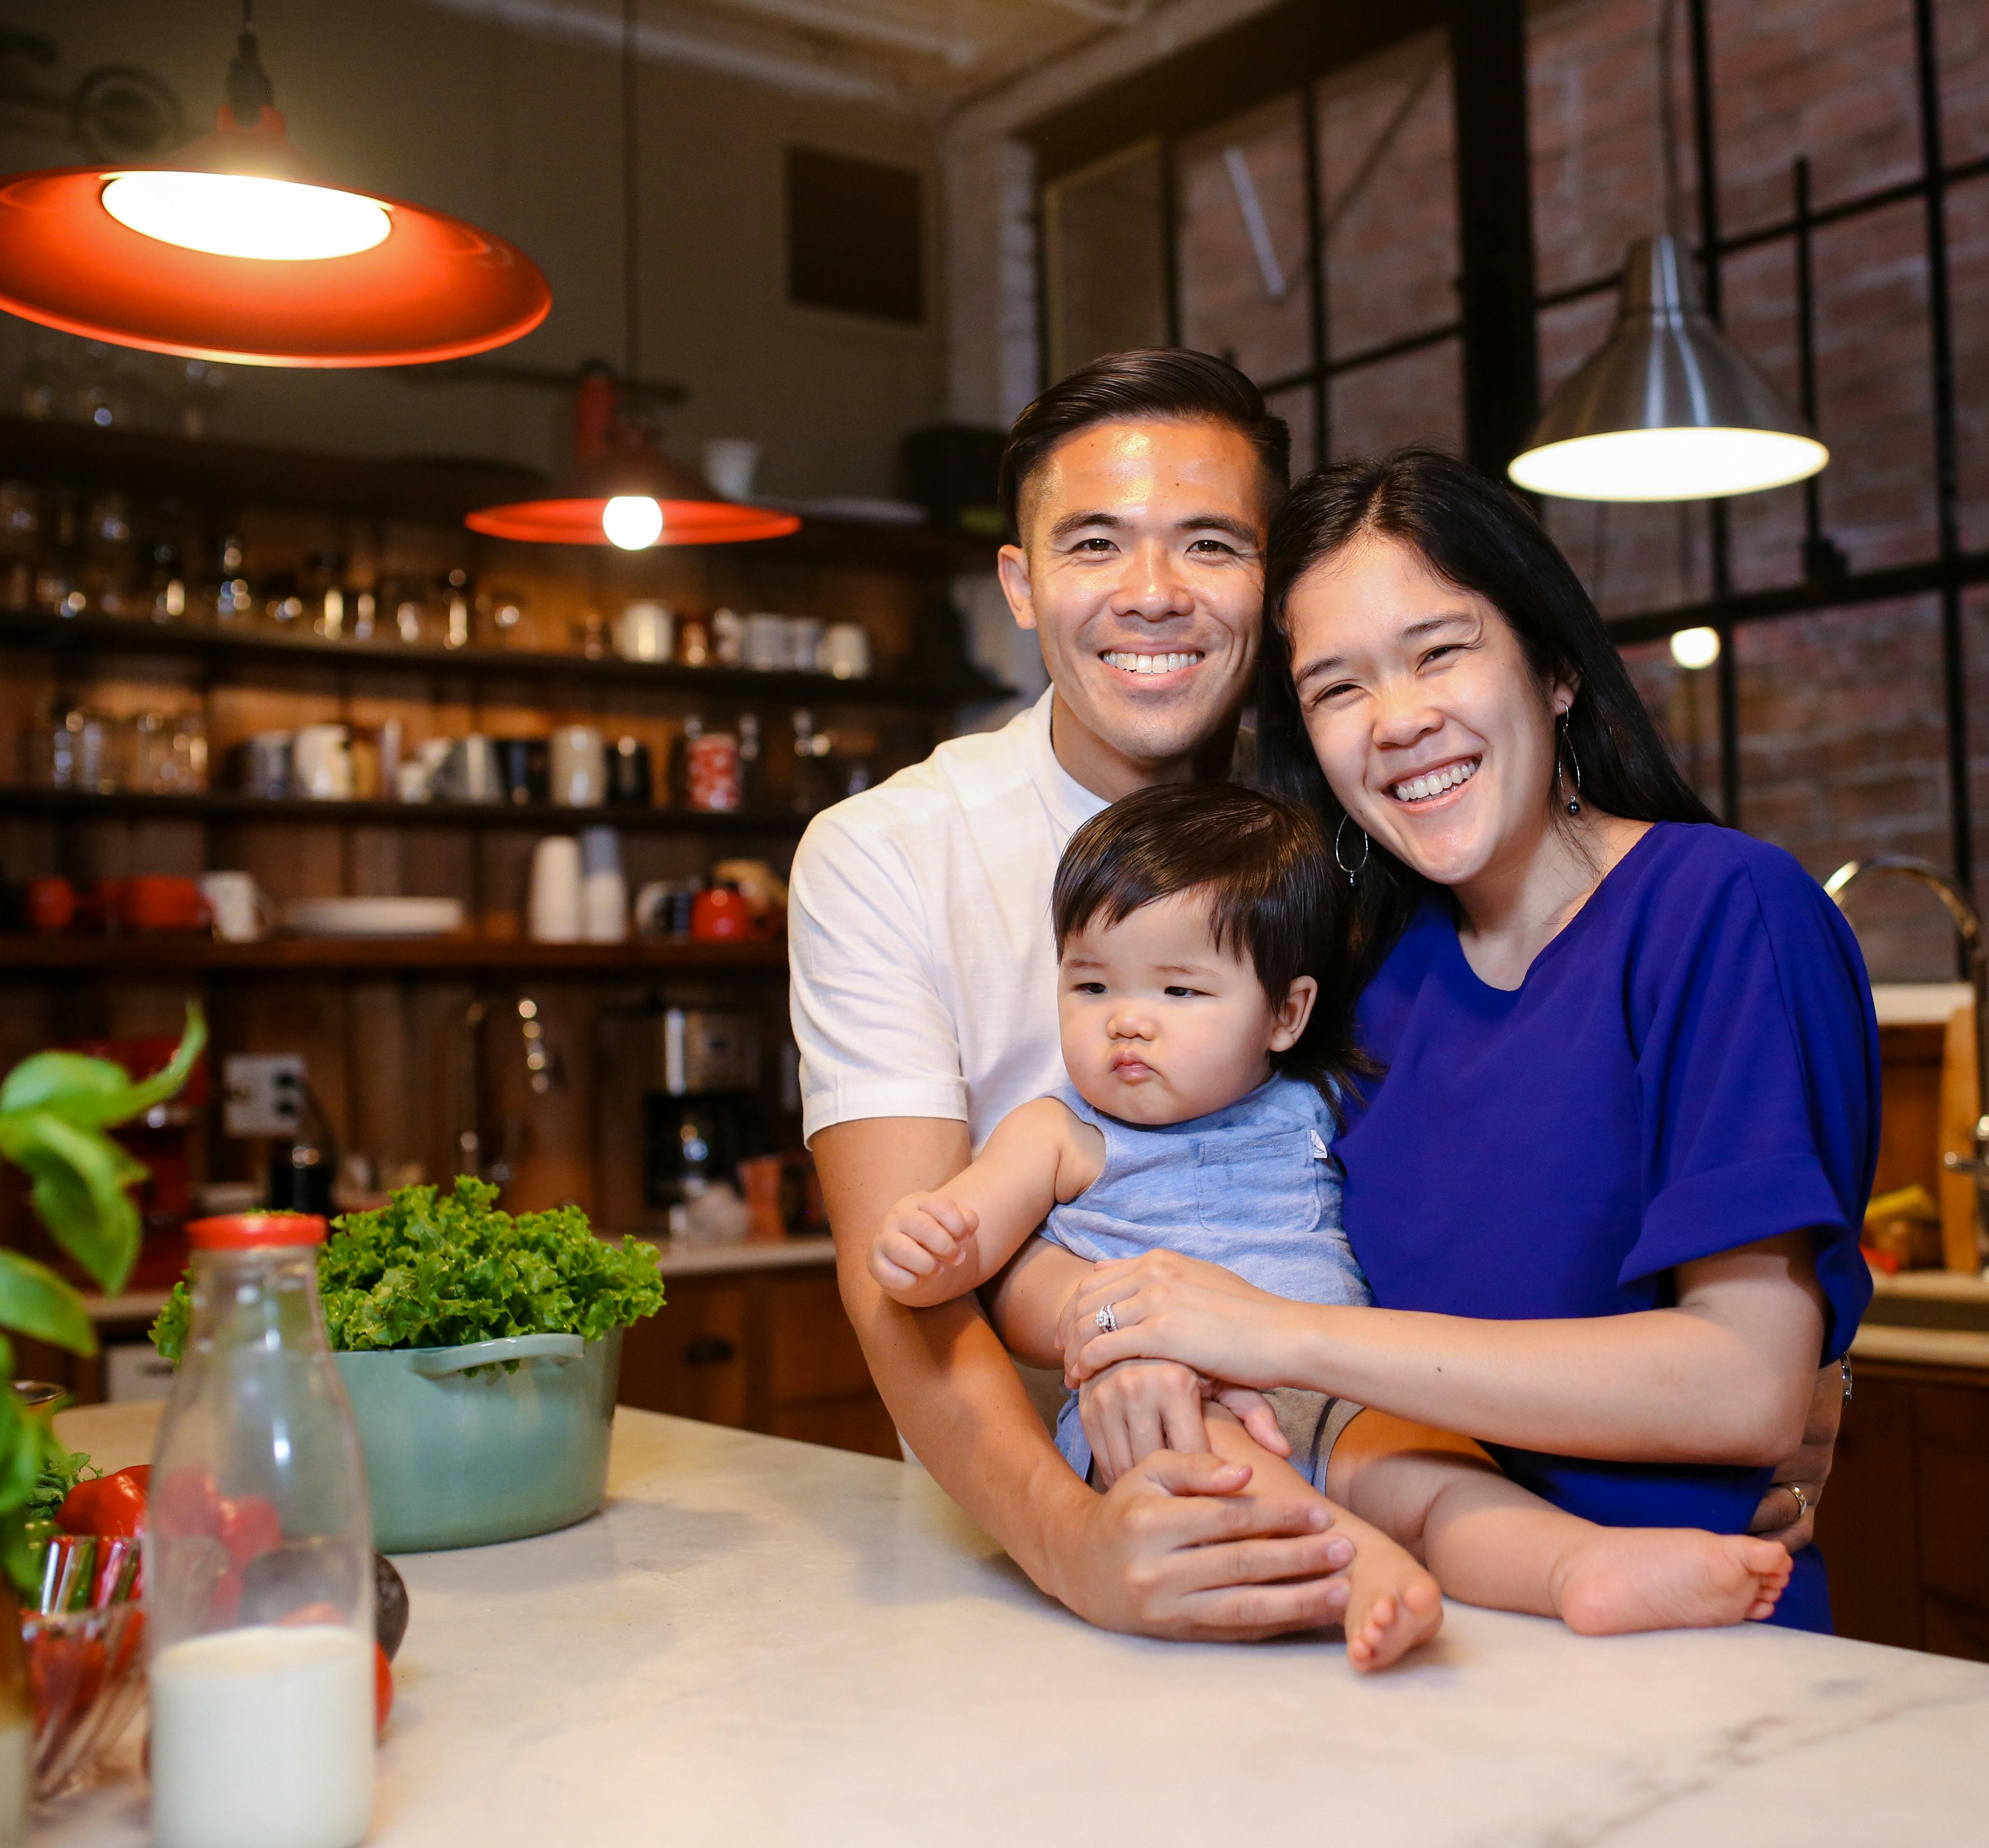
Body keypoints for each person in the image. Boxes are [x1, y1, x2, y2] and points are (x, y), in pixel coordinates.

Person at [790, 351, 1837, 1643]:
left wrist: (1785, 1369)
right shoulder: (897, 852)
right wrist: (1095, 1463)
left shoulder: (1366, 863)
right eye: (1097, 545)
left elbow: (1687, 1272)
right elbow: (916, 1266)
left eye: (1212, 545)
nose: (1154, 594)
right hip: (1074, 1554)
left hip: (1463, 1555)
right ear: (1020, 582)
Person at [1052, 448, 1878, 1631]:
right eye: (1337, 689)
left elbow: (1747, 1388)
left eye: (1440, 652)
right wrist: (1149, 1352)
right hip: (1395, 1623)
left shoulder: (1718, 908)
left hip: (1678, 1650)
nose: (1397, 722)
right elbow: (1207, 1216)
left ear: (1552, 668)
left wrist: (1273, 1335)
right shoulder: (1359, 983)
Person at [871, 783, 1794, 1668]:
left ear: (1286, 1014)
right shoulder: (1060, 1131)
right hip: (1165, 1408)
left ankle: (1576, 1567)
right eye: (1093, 988)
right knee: (1223, 1473)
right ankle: (1362, 1571)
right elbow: (969, 1245)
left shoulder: (1313, 1103)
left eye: (1180, 993)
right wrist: (929, 1245)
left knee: (1441, 1480)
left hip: (1339, 1392)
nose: (1128, 1026)